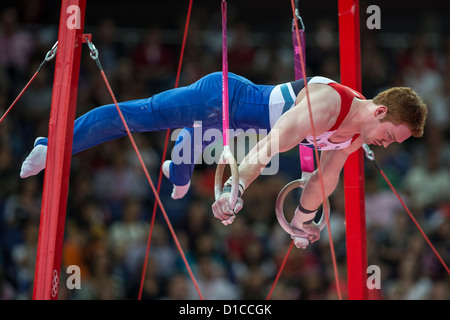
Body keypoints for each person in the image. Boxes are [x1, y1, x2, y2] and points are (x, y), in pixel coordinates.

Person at [20, 72, 428, 246]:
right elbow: (271, 145)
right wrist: (235, 187)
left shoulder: (357, 135)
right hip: (220, 99)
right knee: (139, 116)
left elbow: (326, 177)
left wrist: (301, 222)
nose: (388, 146)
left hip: (230, 129)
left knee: (185, 164)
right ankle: (51, 143)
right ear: (379, 112)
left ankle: (179, 164)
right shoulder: (327, 103)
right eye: (391, 136)